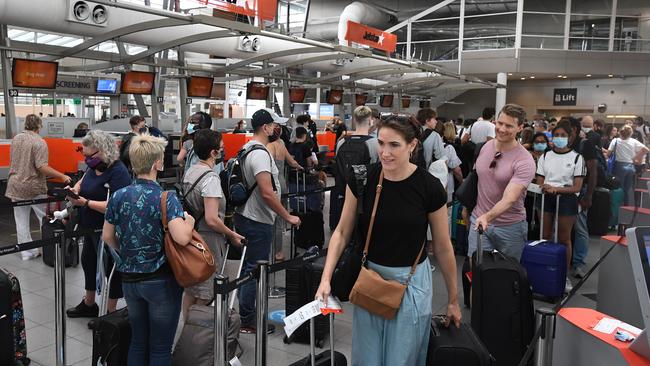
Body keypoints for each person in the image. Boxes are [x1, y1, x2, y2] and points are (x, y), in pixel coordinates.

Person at [315, 115, 461, 366]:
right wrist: (325, 278)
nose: (385, 153)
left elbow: (443, 245)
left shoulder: (428, 187)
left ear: (412, 145)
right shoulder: (363, 179)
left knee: (402, 359)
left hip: (411, 283)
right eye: (381, 143)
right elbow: (341, 232)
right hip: (371, 280)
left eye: (394, 145)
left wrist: (453, 299)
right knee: (367, 358)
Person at [102, 134, 195, 365]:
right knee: (160, 347)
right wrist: (190, 221)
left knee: (138, 341)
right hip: (160, 281)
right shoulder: (166, 197)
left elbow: (107, 236)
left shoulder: (118, 196)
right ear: (157, 163)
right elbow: (182, 238)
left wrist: (126, 254)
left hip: (130, 281)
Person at [236, 109, 301, 334]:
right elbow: (266, 191)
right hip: (257, 220)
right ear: (265, 128)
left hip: (248, 216)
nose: (276, 129)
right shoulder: (260, 153)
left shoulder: (246, 148)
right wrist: (287, 215)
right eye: (274, 125)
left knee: (249, 269)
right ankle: (249, 320)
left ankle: (247, 316)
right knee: (254, 271)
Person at [66, 130, 131, 318]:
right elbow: (82, 184)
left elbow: (116, 206)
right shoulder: (92, 168)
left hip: (108, 229)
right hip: (89, 225)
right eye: (84, 155)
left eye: (89, 155)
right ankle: (89, 303)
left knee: (111, 268)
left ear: (104, 150)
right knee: (89, 261)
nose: (86, 159)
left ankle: (110, 311)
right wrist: (74, 190)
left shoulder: (119, 172)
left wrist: (86, 202)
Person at [181, 129, 245, 318]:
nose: (223, 151)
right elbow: (212, 219)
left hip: (191, 236)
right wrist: (231, 234)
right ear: (213, 153)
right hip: (208, 239)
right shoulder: (211, 179)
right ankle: (199, 332)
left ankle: (187, 330)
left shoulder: (191, 171)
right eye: (221, 148)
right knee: (206, 291)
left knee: (191, 288)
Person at [468, 104, 536, 261]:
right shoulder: (485, 147)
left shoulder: (524, 160)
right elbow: (477, 179)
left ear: (520, 127)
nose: (502, 129)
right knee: (475, 274)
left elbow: (510, 198)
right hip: (478, 221)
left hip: (510, 227)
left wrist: (487, 217)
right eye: (500, 123)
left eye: (509, 126)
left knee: (507, 278)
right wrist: (469, 208)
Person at [5, 114, 71, 260]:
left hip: (15, 185)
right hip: (33, 186)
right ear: (39, 126)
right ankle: (50, 248)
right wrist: (62, 176)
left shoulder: (16, 139)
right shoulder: (39, 142)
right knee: (44, 218)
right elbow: (42, 167)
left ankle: (27, 253)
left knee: (21, 220)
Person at [536, 121, 585, 292]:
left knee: (564, 239)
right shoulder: (545, 156)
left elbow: (577, 186)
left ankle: (563, 276)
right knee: (545, 235)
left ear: (570, 137)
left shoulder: (577, 158)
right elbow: (540, 180)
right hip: (545, 198)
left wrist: (556, 189)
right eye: (556, 135)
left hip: (566, 199)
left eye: (563, 135)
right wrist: (546, 188)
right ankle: (544, 271)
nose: (559, 138)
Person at [266, 125, 303, 262]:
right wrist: (300, 166)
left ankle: (274, 251)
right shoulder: (281, 143)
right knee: (280, 218)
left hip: (273, 184)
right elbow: (292, 162)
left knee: (272, 218)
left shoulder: (269, 146)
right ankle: (279, 251)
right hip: (283, 183)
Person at [605, 125, 650, 205]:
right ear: (630, 133)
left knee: (618, 188)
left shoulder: (615, 140)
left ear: (620, 132)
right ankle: (626, 208)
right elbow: (646, 150)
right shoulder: (633, 141)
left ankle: (617, 207)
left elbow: (608, 154)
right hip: (631, 167)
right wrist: (635, 158)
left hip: (619, 166)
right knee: (627, 190)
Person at [442, 122, 463, 204]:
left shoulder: (436, 144)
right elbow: (457, 170)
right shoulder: (451, 147)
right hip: (448, 181)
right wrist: (461, 181)